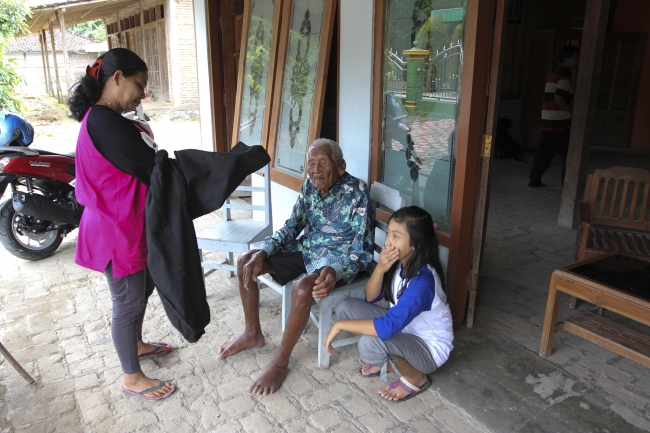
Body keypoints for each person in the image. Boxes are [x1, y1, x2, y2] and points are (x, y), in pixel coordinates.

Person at [217, 138, 374, 395]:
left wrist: (338, 271)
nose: (316, 169)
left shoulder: (357, 192)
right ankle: (252, 333)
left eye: (323, 163)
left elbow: (362, 249)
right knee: (246, 261)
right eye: (311, 163)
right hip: (308, 249)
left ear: (341, 166)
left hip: (340, 260)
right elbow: (292, 227)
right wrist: (263, 251)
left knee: (302, 289)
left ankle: (280, 361)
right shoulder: (310, 187)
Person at [68, 48, 174, 401]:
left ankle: (138, 344)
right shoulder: (104, 121)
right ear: (116, 78)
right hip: (116, 230)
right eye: (139, 84)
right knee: (128, 302)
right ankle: (132, 377)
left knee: (141, 290)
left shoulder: (107, 119)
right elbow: (147, 165)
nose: (143, 94)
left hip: (124, 223)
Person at [324, 206, 453, 403]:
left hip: (428, 349)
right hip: (404, 331)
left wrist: (338, 325)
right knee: (345, 308)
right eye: (389, 234)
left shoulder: (423, 281)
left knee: (368, 345)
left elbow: (388, 326)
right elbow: (370, 297)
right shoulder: (401, 263)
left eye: (396, 236)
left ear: (415, 244)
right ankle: (385, 356)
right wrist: (381, 269)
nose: (388, 241)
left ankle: (414, 377)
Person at [528, 45, 580, 187]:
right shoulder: (564, 77)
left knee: (543, 154)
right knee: (568, 156)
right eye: (575, 58)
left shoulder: (553, 74)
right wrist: (573, 112)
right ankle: (568, 185)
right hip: (561, 123)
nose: (577, 61)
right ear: (566, 59)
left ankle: (534, 179)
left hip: (548, 121)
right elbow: (559, 99)